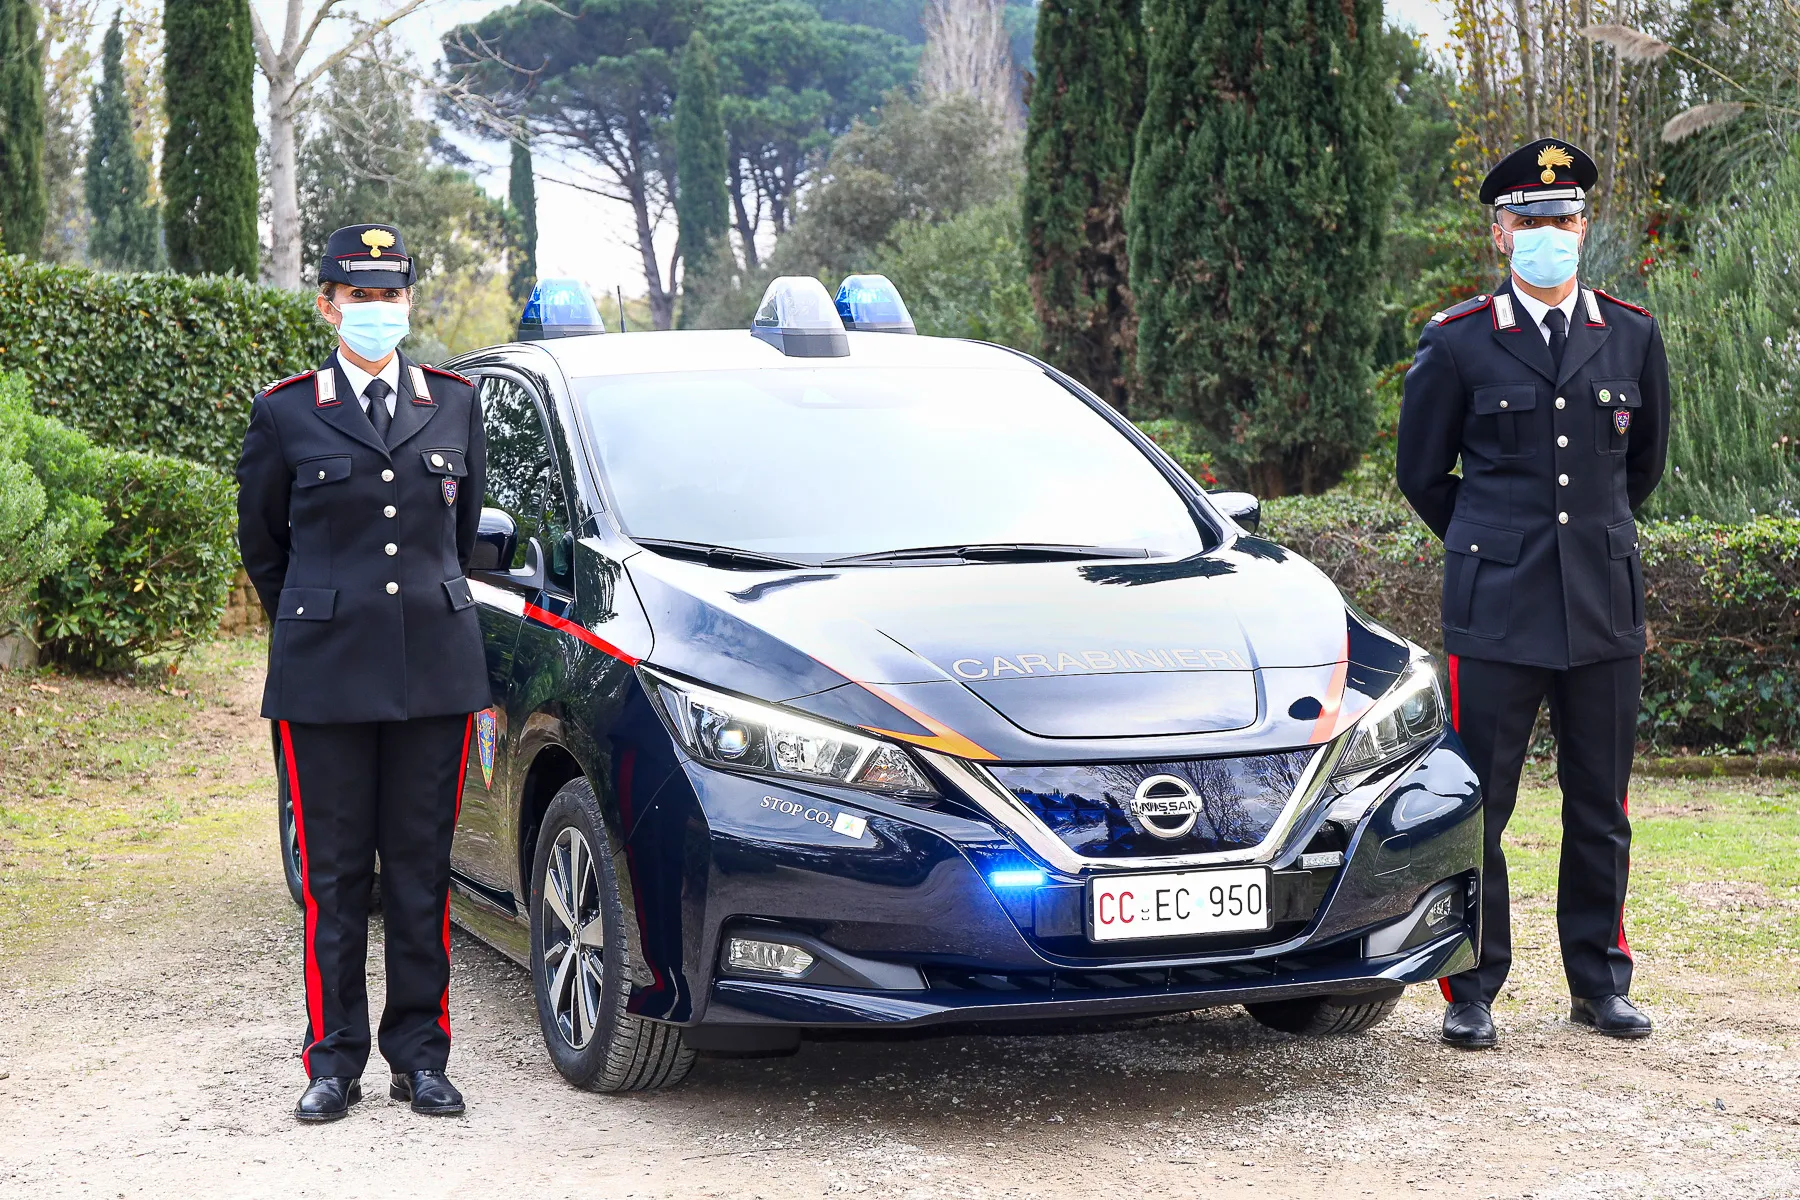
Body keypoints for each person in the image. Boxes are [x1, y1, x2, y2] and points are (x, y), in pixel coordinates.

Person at [1396, 140, 1670, 1050]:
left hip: (1602, 606)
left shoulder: (1631, 333)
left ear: (1584, 228)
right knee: (1480, 805)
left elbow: (1641, 467)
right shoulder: (1458, 339)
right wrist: (1494, 544)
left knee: (1602, 806)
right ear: (1501, 233)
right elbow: (1423, 474)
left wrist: (1584, 542)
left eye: (1565, 218)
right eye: (1531, 219)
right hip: (1498, 611)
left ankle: (1600, 981)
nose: (1550, 232)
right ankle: (1471, 987)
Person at [236, 223, 490, 1120]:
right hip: (326, 679)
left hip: (436, 675)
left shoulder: (454, 403)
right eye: (359, 296)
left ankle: (421, 1057)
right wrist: (323, 617)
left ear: (408, 302)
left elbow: (459, 537)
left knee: (421, 873)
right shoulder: (285, 412)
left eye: (390, 295)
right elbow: (263, 546)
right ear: (327, 306)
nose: (376, 309)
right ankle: (332, 1061)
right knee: (336, 880)